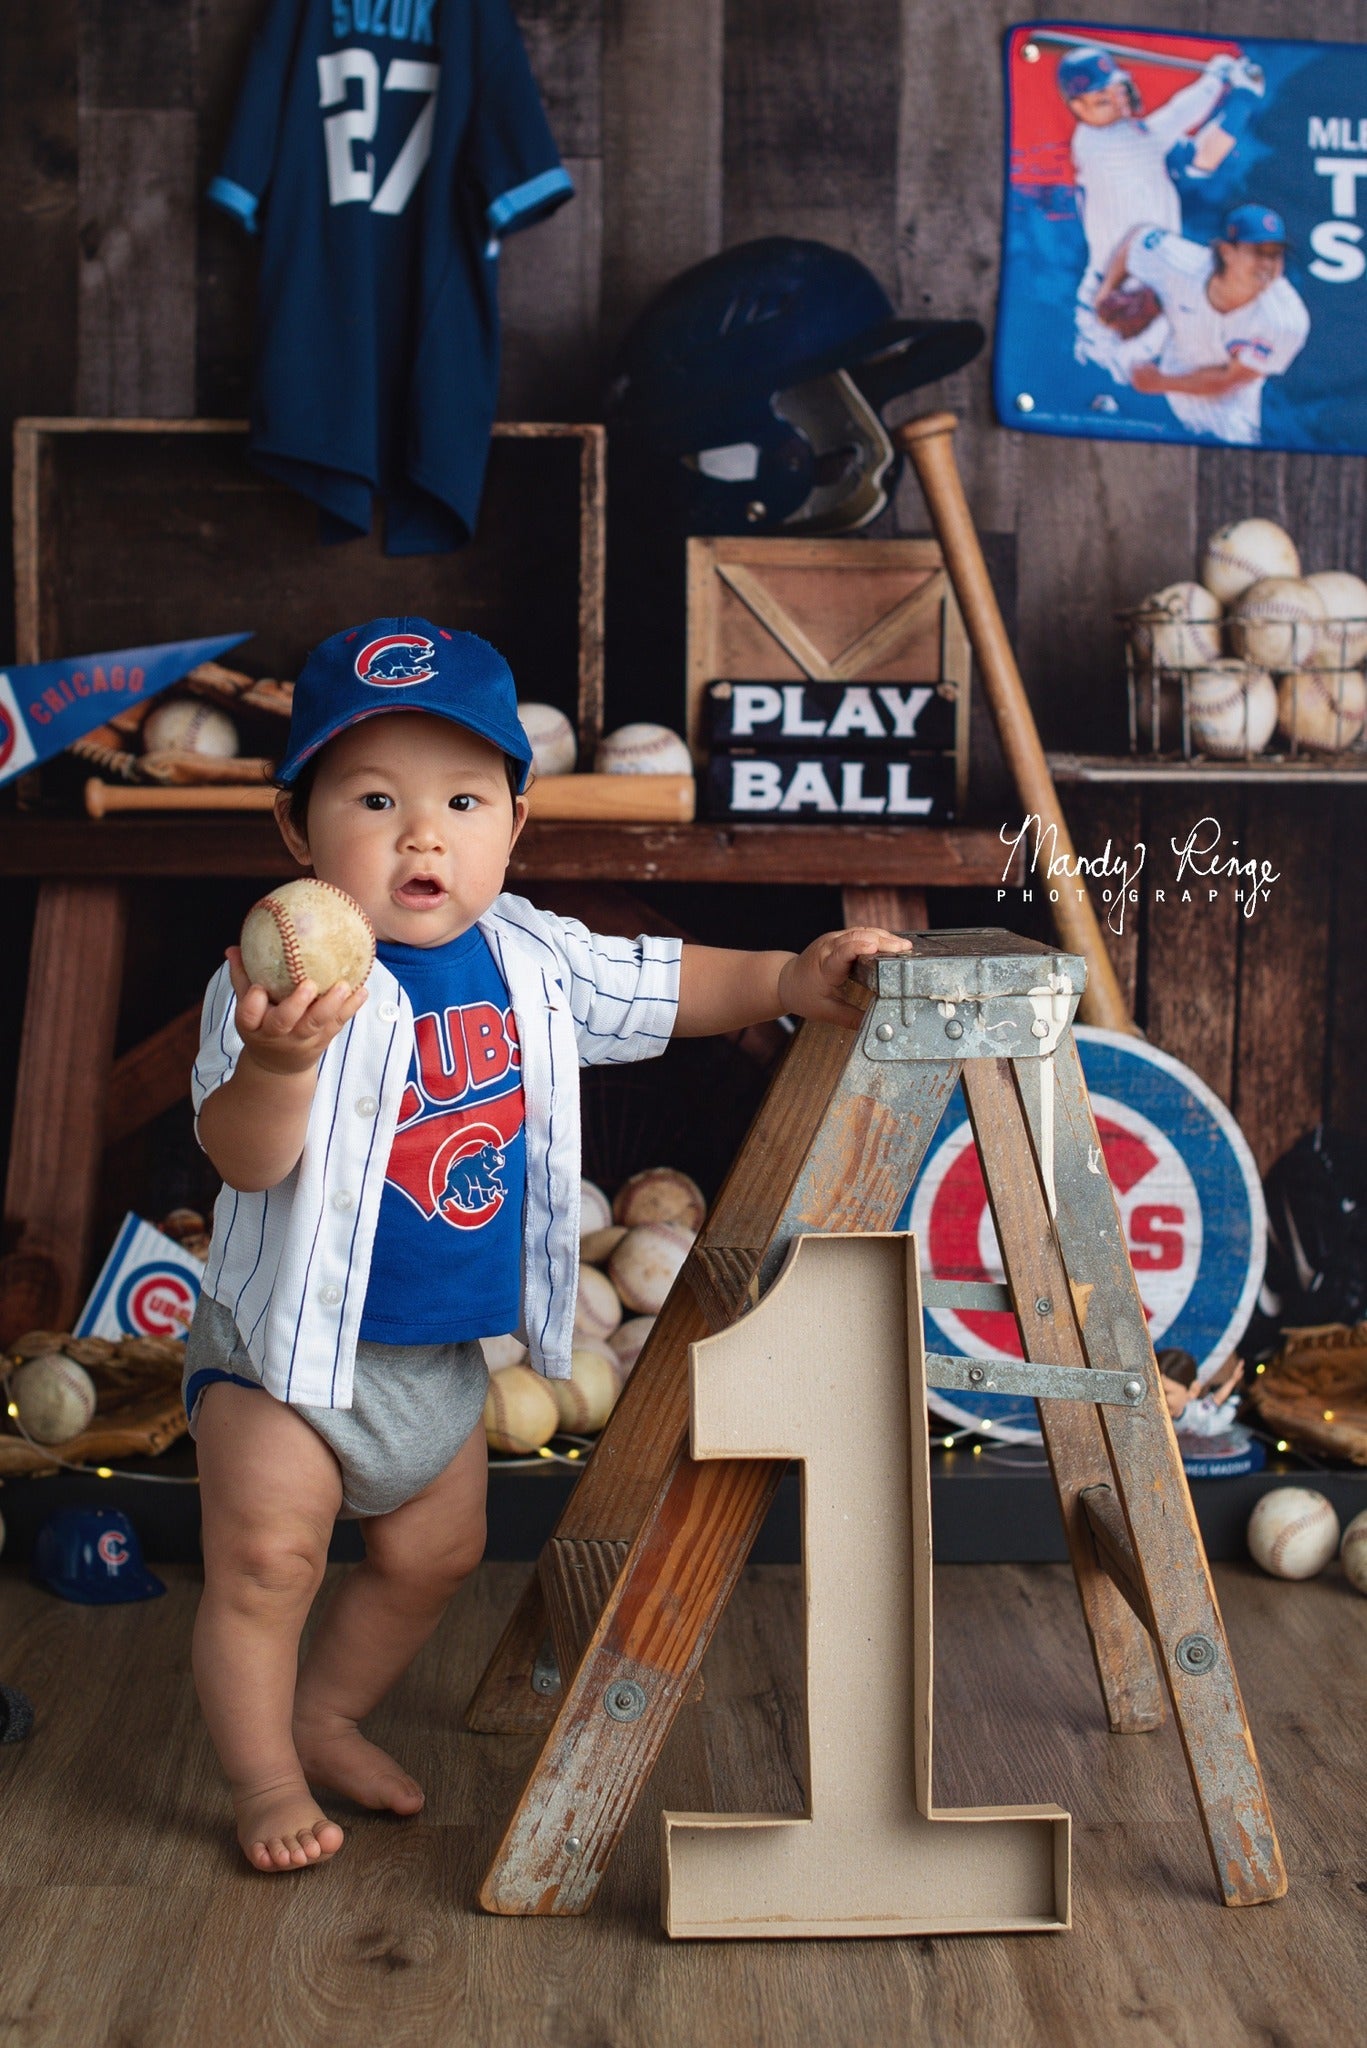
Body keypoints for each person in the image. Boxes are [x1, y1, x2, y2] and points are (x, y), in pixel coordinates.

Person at [186, 617, 912, 1873]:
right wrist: (280, 1061)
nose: (422, 835)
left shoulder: (533, 958)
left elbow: (668, 983)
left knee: (435, 1555)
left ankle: (327, 1713)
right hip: (282, 1351)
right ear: (297, 830)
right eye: (374, 799)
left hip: (436, 1360)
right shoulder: (270, 990)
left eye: (462, 801)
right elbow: (242, 1158)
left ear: (514, 827)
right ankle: (261, 1777)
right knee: (266, 1559)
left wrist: (788, 980)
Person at [1060, 43, 1260, 382]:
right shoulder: (1101, 144)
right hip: (1113, 296)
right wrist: (1214, 81)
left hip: (1158, 291)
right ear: (1078, 106)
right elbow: (1176, 118)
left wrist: (1242, 98)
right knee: (1107, 381)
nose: (1116, 101)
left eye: (1115, 90)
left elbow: (1204, 156)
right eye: (1101, 99)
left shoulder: (1136, 136)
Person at [1099, 205, 1309, 445]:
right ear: (1227, 252)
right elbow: (1138, 240)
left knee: (1230, 448)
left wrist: (1159, 383)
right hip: (1169, 355)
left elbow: (1230, 379)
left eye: (1275, 254)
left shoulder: (1283, 320)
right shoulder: (1183, 265)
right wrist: (1105, 292)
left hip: (1224, 403)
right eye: (1258, 252)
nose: (1267, 264)